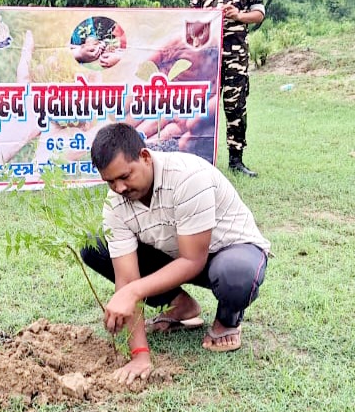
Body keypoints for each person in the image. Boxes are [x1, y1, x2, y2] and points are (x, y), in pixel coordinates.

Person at [80, 122, 270, 384]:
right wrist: (140, 355)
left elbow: (193, 260)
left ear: (145, 157)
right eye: (110, 181)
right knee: (95, 246)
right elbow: (127, 279)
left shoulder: (187, 177)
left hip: (227, 251)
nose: (119, 188)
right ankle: (180, 304)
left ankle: (227, 320)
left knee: (235, 274)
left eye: (125, 176)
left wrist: (131, 292)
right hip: (176, 255)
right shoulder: (116, 205)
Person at [190, 0, 265, 177]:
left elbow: (259, 13)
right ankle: (199, 161)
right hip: (207, 55)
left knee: (236, 107)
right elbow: (192, 16)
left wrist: (239, 15)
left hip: (236, 55)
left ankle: (236, 161)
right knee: (203, 108)